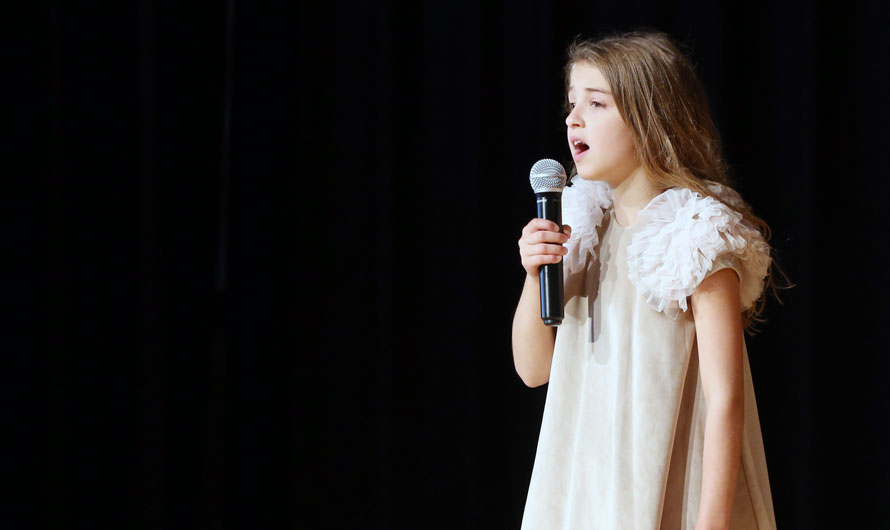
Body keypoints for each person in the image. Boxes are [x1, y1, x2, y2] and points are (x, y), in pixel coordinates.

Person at [513, 30, 791, 530]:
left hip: (671, 480)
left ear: (649, 117)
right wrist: (535, 277)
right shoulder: (581, 227)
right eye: (572, 103)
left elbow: (726, 399)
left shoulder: (696, 232)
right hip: (586, 482)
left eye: (596, 103)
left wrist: (711, 523)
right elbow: (534, 370)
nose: (573, 118)